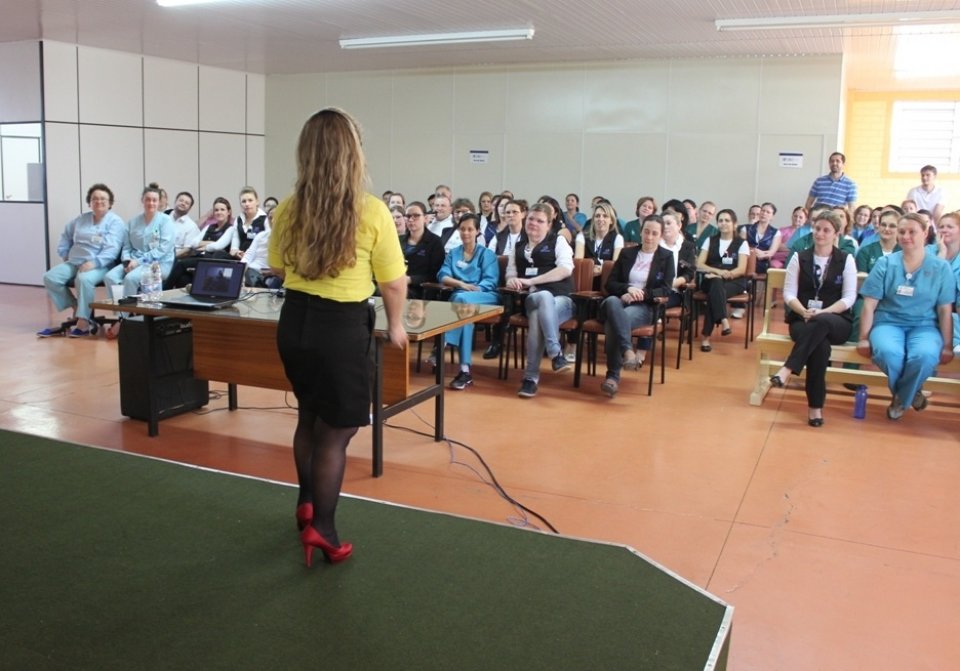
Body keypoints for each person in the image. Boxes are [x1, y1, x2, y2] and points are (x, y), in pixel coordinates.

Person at [268, 108, 407, 566]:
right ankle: (323, 529)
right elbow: (392, 282)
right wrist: (397, 324)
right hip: (341, 330)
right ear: (353, 154)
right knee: (338, 430)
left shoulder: (288, 208)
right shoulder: (371, 211)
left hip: (295, 324)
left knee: (309, 416)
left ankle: (306, 503)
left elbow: (278, 268)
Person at [857, 213, 955, 420]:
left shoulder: (941, 267)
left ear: (925, 233)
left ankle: (901, 398)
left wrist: (947, 345)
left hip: (925, 326)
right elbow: (868, 305)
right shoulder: (885, 263)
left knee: (925, 355)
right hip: (888, 323)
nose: (906, 236)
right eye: (902, 232)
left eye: (912, 232)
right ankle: (911, 393)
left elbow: (945, 310)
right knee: (888, 352)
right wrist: (864, 338)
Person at [768, 211, 858, 427]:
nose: (820, 233)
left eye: (826, 230)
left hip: (836, 320)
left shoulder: (846, 259)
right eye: (817, 228)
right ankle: (815, 408)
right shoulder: (800, 257)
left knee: (823, 322)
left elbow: (849, 297)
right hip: (802, 318)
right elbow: (789, 294)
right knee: (820, 349)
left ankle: (788, 368)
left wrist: (825, 311)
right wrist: (803, 311)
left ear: (836, 233)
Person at [598, 215, 675, 397]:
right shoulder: (627, 253)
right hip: (619, 301)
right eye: (646, 232)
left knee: (614, 322)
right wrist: (627, 289)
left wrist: (643, 294)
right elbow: (610, 283)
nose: (649, 237)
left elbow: (666, 290)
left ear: (661, 235)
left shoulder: (666, 257)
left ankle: (612, 377)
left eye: (654, 233)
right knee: (610, 302)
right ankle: (627, 351)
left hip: (644, 307)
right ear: (641, 232)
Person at [505, 203, 575, 399]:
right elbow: (510, 276)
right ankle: (556, 355)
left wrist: (531, 281)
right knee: (541, 298)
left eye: (540, 221)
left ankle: (530, 378)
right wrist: (513, 281)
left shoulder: (558, 241)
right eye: (531, 219)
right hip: (531, 299)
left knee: (539, 312)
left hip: (562, 300)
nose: (534, 224)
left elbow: (565, 269)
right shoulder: (517, 247)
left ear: (549, 224)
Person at [37, 184, 125, 338]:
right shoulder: (81, 219)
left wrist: (94, 263)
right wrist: (64, 253)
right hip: (75, 261)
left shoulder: (115, 222)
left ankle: (83, 322)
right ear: (89, 202)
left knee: (83, 279)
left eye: (103, 199)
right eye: (94, 199)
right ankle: (77, 306)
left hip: (100, 264)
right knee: (50, 277)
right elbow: (65, 236)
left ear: (110, 202)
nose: (98, 201)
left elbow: (112, 249)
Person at [437, 214, 501, 390]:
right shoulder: (454, 253)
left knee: (461, 299)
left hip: (486, 296)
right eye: (462, 229)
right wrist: (461, 284)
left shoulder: (487, 254)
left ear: (478, 231)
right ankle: (465, 371)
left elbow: (490, 282)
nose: (466, 232)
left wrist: (470, 289)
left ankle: (443, 343)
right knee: (465, 316)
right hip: (462, 300)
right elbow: (442, 275)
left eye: (470, 229)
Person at [103, 184, 175, 305]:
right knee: (110, 277)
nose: (151, 203)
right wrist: (126, 261)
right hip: (133, 261)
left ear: (159, 202)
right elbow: (126, 246)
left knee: (130, 279)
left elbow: (162, 250)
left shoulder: (165, 221)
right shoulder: (133, 222)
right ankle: (120, 313)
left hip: (159, 263)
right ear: (142, 200)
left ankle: (125, 318)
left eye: (154, 200)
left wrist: (138, 262)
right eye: (148, 199)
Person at [697, 208, 749, 352]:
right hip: (711, 279)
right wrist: (719, 272)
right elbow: (699, 263)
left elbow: (741, 269)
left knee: (715, 293)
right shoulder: (710, 240)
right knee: (716, 285)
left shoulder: (741, 243)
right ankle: (724, 319)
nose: (723, 223)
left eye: (727, 220)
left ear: (734, 224)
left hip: (734, 281)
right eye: (720, 220)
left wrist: (724, 275)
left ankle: (706, 337)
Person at [165, 197, 238, 288]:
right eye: (216, 210)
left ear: (229, 212)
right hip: (201, 257)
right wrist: (211, 242)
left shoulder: (231, 228)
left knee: (181, 264)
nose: (219, 212)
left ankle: (163, 292)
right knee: (183, 279)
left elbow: (217, 247)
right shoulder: (209, 227)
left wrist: (203, 244)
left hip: (213, 261)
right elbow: (194, 243)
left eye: (222, 210)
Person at [401, 201, 445, 298]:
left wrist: (411, 279)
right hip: (397, 283)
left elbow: (436, 274)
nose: (411, 219)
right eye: (408, 216)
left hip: (420, 288)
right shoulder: (399, 240)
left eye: (416, 216)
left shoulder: (435, 242)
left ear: (425, 218)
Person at [932, 211, 960, 352]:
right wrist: (941, 254)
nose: (944, 230)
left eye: (950, 227)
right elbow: (929, 284)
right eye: (941, 226)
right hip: (928, 307)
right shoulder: (928, 251)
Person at [575, 201, 623, 275]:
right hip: (586, 276)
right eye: (597, 216)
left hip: (607, 278)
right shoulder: (582, 236)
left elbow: (615, 265)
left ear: (611, 221)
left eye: (605, 216)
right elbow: (578, 262)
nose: (601, 219)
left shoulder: (617, 238)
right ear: (593, 220)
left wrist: (602, 270)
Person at [745, 202, 781, 275]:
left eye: (768, 212)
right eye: (763, 210)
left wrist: (762, 254)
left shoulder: (776, 232)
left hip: (763, 262)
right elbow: (741, 245)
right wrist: (754, 251)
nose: (764, 213)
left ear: (772, 216)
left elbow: (771, 252)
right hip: (746, 259)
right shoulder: (746, 228)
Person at [233, 187, 269, 258]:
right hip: (240, 257)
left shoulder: (265, 219)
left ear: (257, 201)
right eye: (244, 201)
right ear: (240, 204)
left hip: (257, 258)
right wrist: (236, 251)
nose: (247, 204)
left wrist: (249, 255)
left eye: (250, 200)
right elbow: (235, 239)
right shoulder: (238, 219)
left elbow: (267, 244)